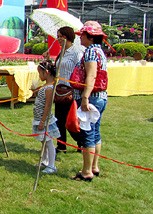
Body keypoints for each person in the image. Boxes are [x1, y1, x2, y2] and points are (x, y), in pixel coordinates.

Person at [71, 21, 108, 182]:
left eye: (83, 35)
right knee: (95, 131)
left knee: (87, 133)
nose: (80, 38)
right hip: (100, 97)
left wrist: (85, 97)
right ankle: (94, 166)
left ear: (91, 37)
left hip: (91, 97)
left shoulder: (91, 52)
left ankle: (86, 171)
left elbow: (91, 75)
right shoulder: (100, 51)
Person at [45, 26, 85, 154]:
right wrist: (48, 61)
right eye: (58, 36)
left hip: (72, 91)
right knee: (59, 120)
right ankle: (61, 145)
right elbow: (57, 70)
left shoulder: (76, 52)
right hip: (60, 90)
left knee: (71, 121)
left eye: (61, 36)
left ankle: (82, 143)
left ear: (67, 36)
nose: (59, 39)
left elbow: (81, 70)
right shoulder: (61, 52)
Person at [32, 59, 61, 174]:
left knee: (48, 142)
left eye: (40, 73)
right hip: (39, 119)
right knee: (43, 141)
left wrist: (43, 121)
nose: (39, 76)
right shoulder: (46, 86)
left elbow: (48, 106)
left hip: (44, 121)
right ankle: (44, 160)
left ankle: (52, 165)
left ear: (47, 72)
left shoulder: (49, 88)